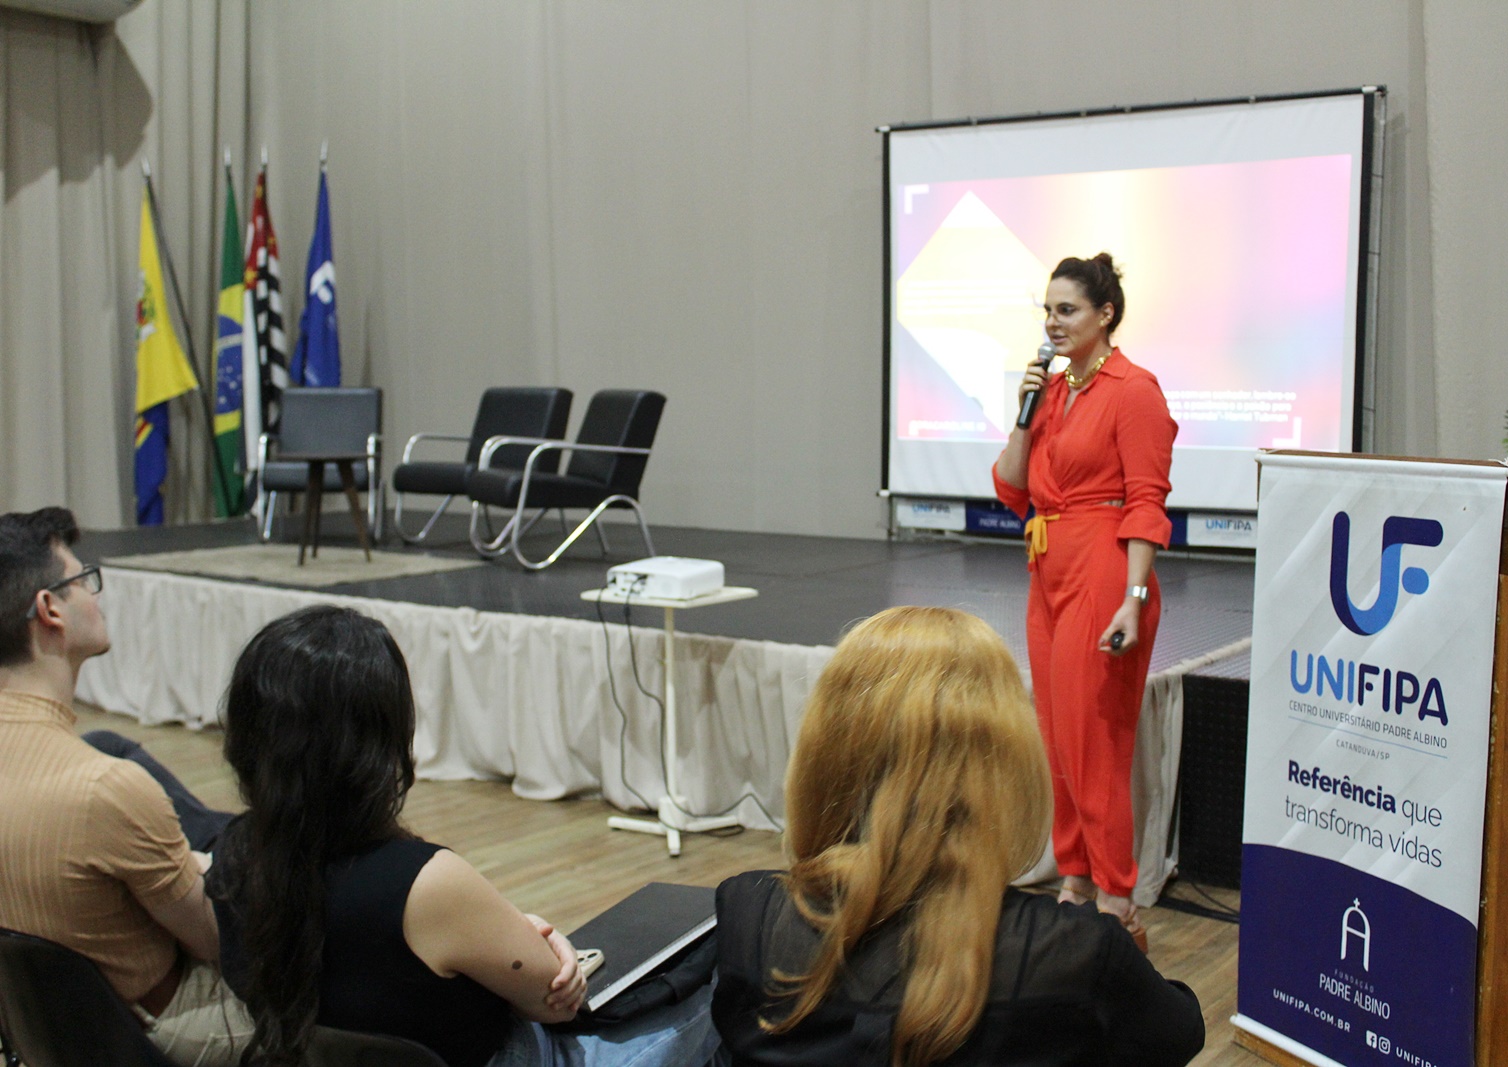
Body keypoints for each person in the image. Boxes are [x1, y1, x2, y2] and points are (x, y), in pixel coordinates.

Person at [207, 604, 720, 1067]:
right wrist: (537, 941)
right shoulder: (425, 884)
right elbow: (553, 1001)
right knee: (733, 973)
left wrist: (509, 930)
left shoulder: (232, 858)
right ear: (379, 741)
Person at [712, 606, 1204, 1066]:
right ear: (1006, 762)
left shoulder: (749, 914)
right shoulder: (1077, 953)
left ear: (826, 750)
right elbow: (1179, 1035)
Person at [0, 507, 252, 1065]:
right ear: (50, 610)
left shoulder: (96, 773)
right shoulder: (104, 789)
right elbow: (219, 945)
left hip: (36, 1027)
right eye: (83, 581)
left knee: (109, 741)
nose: (96, 595)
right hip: (158, 1026)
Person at [992, 253, 1177, 945]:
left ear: (1105, 314)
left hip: (1105, 567)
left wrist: (1132, 598)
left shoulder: (1135, 390)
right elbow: (1012, 487)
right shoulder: (1056, 392)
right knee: (1058, 733)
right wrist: (1024, 411)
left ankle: (1116, 893)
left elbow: (1146, 501)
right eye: (1047, 310)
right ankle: (1074, 875)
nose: (1052, 322)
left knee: (1097, 738)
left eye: (1066, 309)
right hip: (1048, 565)